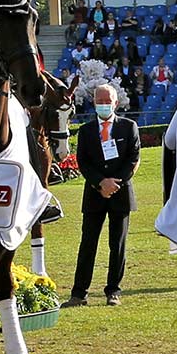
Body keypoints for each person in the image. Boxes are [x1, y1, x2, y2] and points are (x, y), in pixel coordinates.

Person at [67, 83, 141, 308]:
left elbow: (133, 158)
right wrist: (100, 182)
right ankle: (79, 293)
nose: (103, 104)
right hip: (94, 194)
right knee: (88, 243)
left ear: (116, 103)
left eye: (107, 101)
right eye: (99, 101)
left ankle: (113, 291)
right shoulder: (87, 131)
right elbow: (83, 162)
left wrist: (114, 183)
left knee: (117, 244)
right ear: (93, 103)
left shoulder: (129, 127)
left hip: (120, 194)